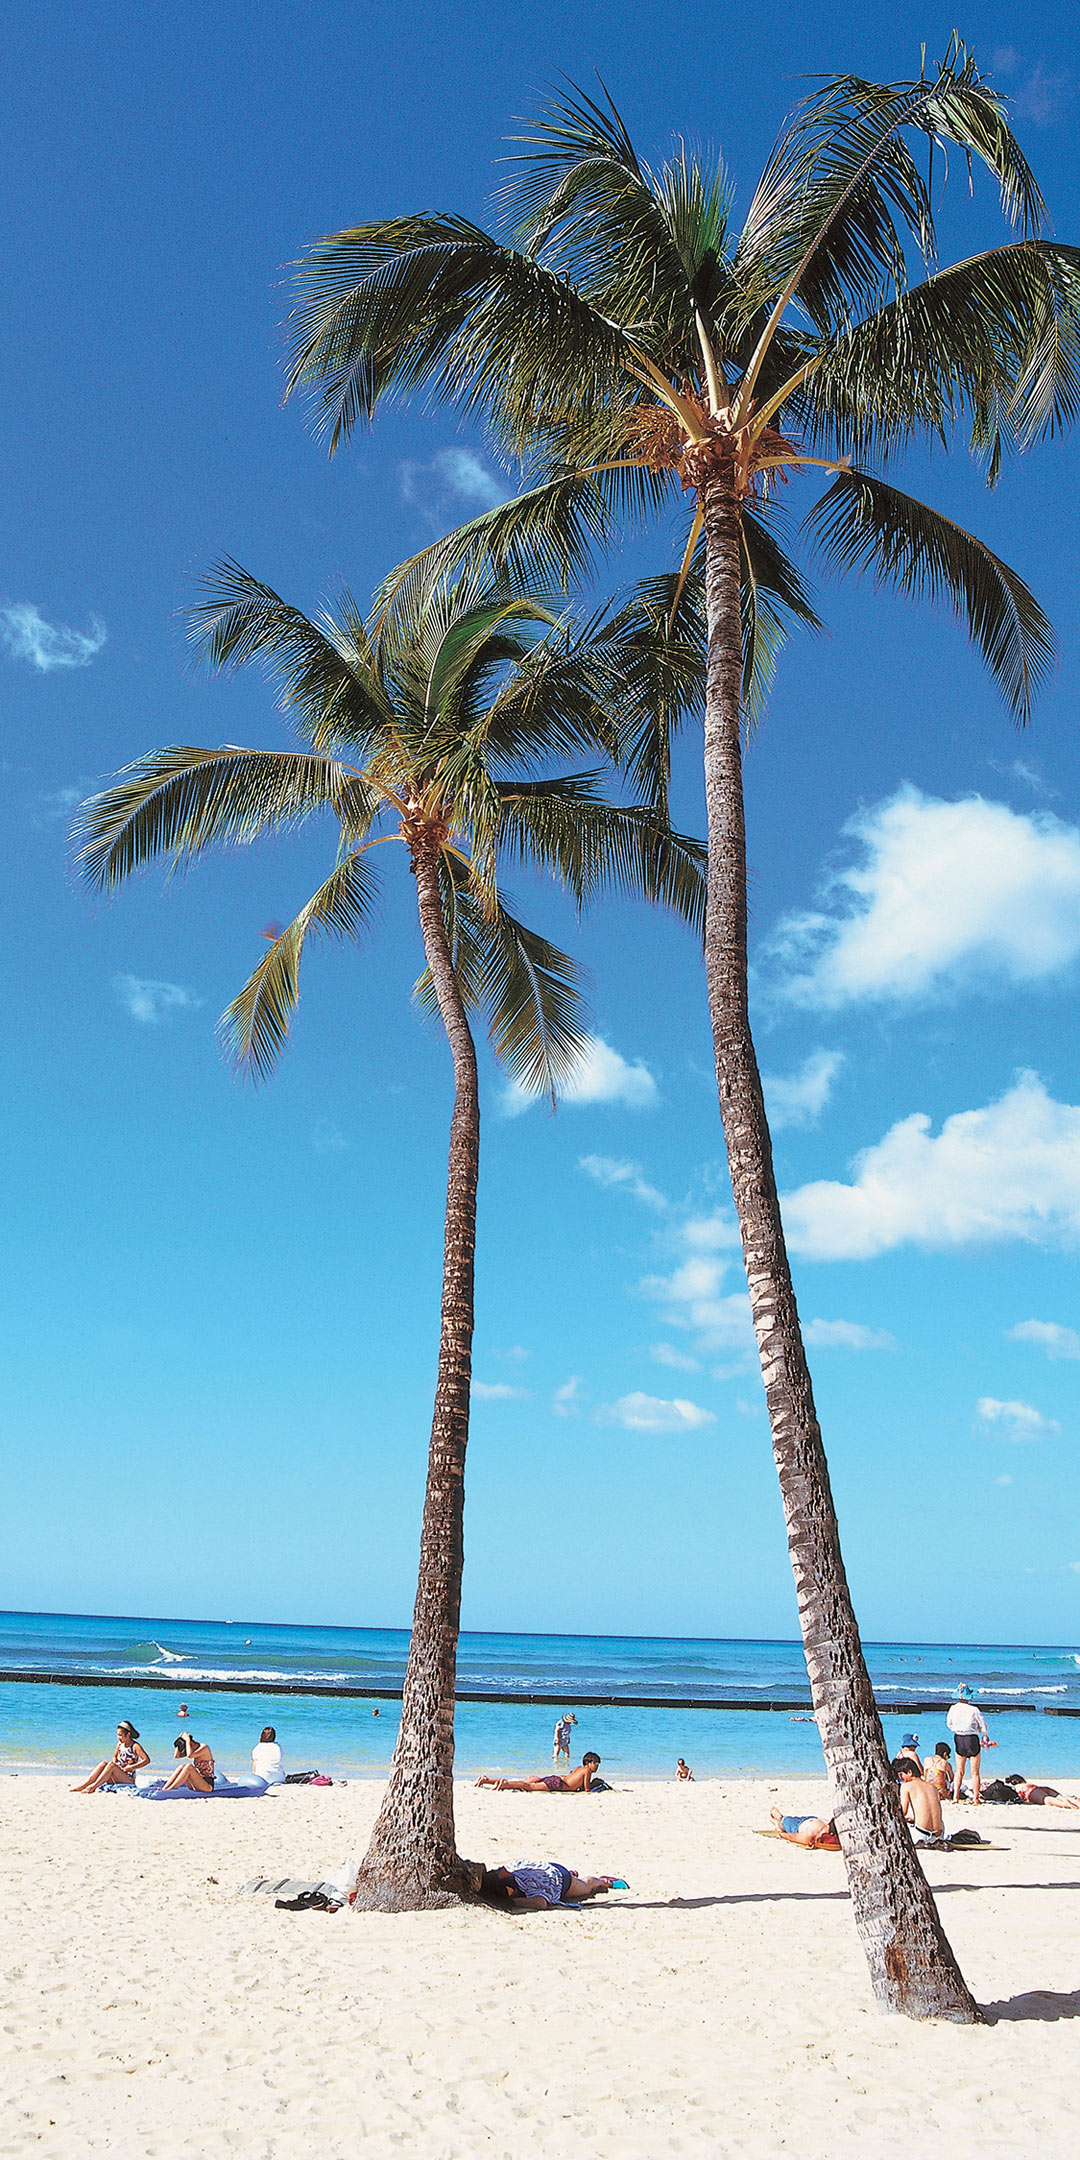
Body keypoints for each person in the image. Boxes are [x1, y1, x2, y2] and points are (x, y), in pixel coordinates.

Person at [479, 1863, 623, 1909]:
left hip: (561, 1880)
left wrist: (511, 1902)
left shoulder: (529, 1886)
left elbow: (540, 1903)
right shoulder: (505, 1871)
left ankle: (604, 1882)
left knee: (586, 1886)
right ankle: (572, 1873)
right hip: (546, 1869)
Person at [71, 1722, 150, 1792]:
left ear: (128, 1734)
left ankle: (93, 1787)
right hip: (116, 1776)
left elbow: (146, 1760)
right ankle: (84, 1785)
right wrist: (116, 1764)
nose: (119, 1737)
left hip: (128, 1779)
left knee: (111, 1765)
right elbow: (115, 1756)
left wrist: (131, 1767)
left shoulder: (135, 1746)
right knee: (103, 1764)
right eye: (117, 1735)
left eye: (121, 1735)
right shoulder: (119, 1744)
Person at [946, 1686, 993, 1803]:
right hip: (972, 1738)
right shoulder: (974, 1709)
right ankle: (976, 1798)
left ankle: (955, 1797)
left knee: (959, 1771)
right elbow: (984, 1728)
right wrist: (980, 1731)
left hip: (958, 1737)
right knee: (975, 1772)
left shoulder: (953, 1708)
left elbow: (949, 1725)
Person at [476, 1752, 602, 1793]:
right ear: (588, 1763)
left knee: (527, 1782)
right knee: (528, 1786)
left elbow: (570, 1778)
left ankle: (487, 1780)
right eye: (595, 1763)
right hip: (557, 1784)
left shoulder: (578, 1769)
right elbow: (586, 1789)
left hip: (556, 1780)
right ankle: (505, 1784)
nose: (597, 1766)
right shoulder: (587, 1771)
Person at [892, 1757, 945, 1843]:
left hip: (922, 1835)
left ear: (909, 1772)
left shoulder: (906, 1786)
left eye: (901, 1776)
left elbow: (902, 1812)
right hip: (939, 1836)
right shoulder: (932, 1787)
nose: (901, 1779)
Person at [769, 1807, 840, 1849]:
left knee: (784, 1822)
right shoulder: (826, 1826)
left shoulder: (811, 1834)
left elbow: (793, 1837)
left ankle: (778, 1819)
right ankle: (777, 1821)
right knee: (787, 1821)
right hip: (813, 1820)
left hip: (798, 1825)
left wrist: (782, 1835)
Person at [1003, 1773, 1080, 1810]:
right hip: (1039, 1788)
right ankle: (1073, 1800)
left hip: (1029, 1791)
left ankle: (1067, 1804)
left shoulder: (1016, 1787)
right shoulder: (1026, 1784)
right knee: (1059, 1796)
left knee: (1048, 1800)